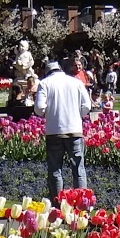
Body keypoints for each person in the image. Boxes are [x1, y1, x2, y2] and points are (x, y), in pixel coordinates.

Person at [34, 56, 92, 201]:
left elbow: (39, 108)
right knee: (78, 168)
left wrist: (49, 113)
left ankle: (58, 203)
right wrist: (76, 115)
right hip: (75, 130)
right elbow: (87, 106)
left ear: (47, 72)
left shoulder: (44, 83)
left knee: (55, 169)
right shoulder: (76, 82)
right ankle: (81, 203)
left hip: (54, 131)